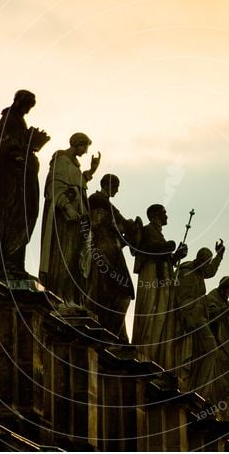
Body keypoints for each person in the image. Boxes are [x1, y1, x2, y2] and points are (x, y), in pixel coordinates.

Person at [0, 90, 50, 277]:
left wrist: (31, 145)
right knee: (9, 216)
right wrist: (28, 148)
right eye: (27, 106)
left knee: (23, 215)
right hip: (7, 180)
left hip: (20, 179)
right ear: (19, 101)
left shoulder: (18, 121)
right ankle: (4, 261)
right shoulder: (9, 120)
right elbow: (5, 147)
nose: (28, 111)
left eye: (30, 107)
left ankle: (14, 261)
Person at [39, 133, 101, 303]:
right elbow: (54, 187)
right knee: (64, 257)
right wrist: (67, 206)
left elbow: (77, 183)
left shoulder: (73, 164)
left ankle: (70, 298)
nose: (86, 152)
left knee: (75, 260)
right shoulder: (61, 160)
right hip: (65, 221)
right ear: (77, 144)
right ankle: (59, 296)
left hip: (77, 221)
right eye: (85, 147)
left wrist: (91, 172)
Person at [86, 174, 141, 341]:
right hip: (103, 251)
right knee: (114, 292)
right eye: (116, 186)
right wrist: (127, 226)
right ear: (109, 185)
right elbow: (96, 225)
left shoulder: (106, 204)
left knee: (120, 293)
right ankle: (110, 334)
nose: (117, 190)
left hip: (113, 251)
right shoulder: (97, 200)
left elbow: (120, 229)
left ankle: (114, 334)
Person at [131, 204, 187, 367]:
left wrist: (176, 255)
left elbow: (165, 258)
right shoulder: (148, 230)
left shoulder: (158, 234)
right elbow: (147, 250)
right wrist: (168, 247)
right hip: (151, 276)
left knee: (159, 317)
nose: (167, 216)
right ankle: (144, 352)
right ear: (155, 215)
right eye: (164, 213)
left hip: (160, 278)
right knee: (150, 313)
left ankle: (153, 354)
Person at [174, 242, 226, 395]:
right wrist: (187, 317)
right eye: (206, 262)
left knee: (205, 352)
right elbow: (182, 298)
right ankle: (199, 391)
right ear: (200, 260)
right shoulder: (188, 272)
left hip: (200, 317)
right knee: (211, 350)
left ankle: (197, 389)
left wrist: (220, 255)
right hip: (193, 318)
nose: (207, 266)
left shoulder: (199, 271)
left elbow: (210, 272)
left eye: (209, 263)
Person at [203, 275, 229, 421]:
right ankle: (217, 416)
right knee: (222, 384)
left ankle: (225, 418)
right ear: (224, 288)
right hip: (218, 346)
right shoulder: (211, 298)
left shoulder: (227, 302)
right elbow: (212, 317)